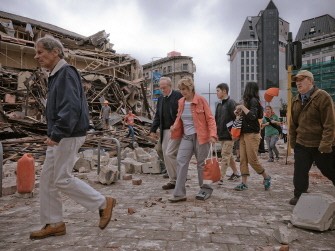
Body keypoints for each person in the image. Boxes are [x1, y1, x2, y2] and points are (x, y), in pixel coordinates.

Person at [30, 36, 115, 240]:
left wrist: (57, 133)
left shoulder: (66, 73)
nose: (36, 56)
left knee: (61, 178)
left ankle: (103, 203)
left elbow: (71, 107)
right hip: (60, 133)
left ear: (55, 52)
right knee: (48, 180)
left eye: (41, 52)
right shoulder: (56, 75)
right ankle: (54, 223)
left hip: (67, 134)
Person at [289, 70, 335, 205]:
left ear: (310, 81)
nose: (298, 83)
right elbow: (293, 124)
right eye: (296, 81)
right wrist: (293, 142)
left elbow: (330, 124)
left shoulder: (322, 97)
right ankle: (299, 195)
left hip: (320, 144)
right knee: (300, 171)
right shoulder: (296, 99)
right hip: (302, 143)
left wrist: (325, 145)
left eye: (301, 80)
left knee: (329, 170)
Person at [168, 77, 217, 202]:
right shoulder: (181, 102)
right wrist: (174, 126)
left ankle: (205, 189)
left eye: (185, 89)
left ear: (191, 88)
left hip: (201, 136)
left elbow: (210, 118)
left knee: (201, 164)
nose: (183, 91)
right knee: (180, 160)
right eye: (181, 89)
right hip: (187, 136)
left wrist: (212, 135)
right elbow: (179, 117)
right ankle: (179, 194)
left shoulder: (201, 100)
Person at [233, 82, 272, 191]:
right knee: (243, 159)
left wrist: (241, 107)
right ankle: (244, 183)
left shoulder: (254, 101)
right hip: (243, 134)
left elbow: (253, 116)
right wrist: (239, 112)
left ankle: (266, 176)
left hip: (252, 134)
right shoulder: (247, 103)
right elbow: (247, 116)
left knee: (252, 159)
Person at [150, 77, 183, 188]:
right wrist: (153, 129)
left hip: (175, 129)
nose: (162, 90)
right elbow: (157, 116)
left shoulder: (178, 96)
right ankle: (173, 177)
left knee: (171, 153)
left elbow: (181, 113)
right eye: (160, 88)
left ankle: (176, 178)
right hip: (164, 130)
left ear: (170, 86)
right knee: (163, 152)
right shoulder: (160, 99)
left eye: (164, 88)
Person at [215, 83, 240, 183]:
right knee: (228, 155)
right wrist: (216, 132)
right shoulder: (219, 105)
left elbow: (236, 118)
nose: (216, 93)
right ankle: (236, 173)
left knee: (225, 155)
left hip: (230, 135)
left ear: (224, 91)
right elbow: (216, 120)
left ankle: (220, 177)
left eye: (218, 91)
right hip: (221, 134)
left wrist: (234, 133)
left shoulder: (231, 103)